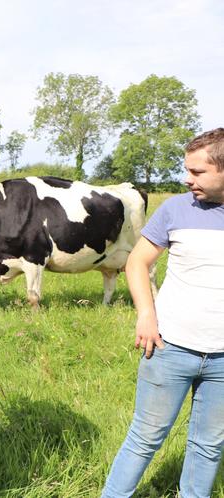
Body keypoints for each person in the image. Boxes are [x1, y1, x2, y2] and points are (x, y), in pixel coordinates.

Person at [102, 128, 224, 498]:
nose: (188, 179)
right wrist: (146, 315)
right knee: (145, 438)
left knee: (208, 445)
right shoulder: (174, 209)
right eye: (187, 170)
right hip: (169, 347)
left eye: (198, 172)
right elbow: (136, 263)